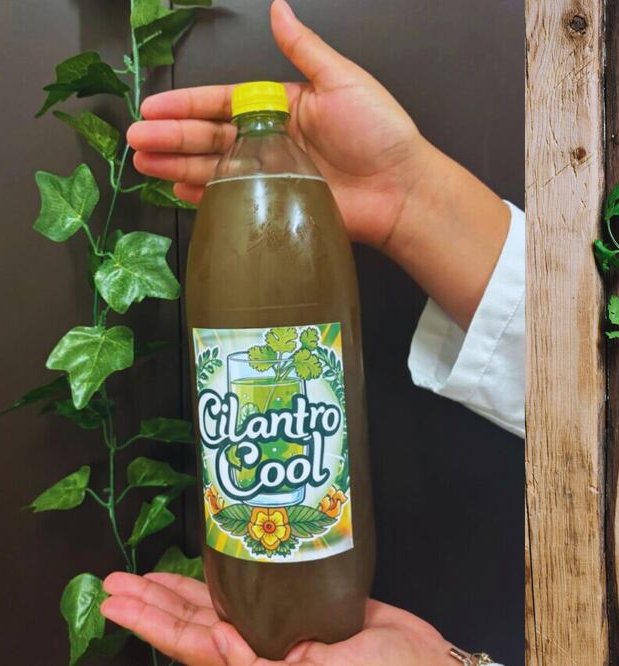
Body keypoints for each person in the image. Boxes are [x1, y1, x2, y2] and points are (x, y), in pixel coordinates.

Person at [99, 1, 523, 664]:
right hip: (248, 563)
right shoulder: (242, 197)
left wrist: (410, 192)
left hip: (335, 574)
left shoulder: (302, 191)